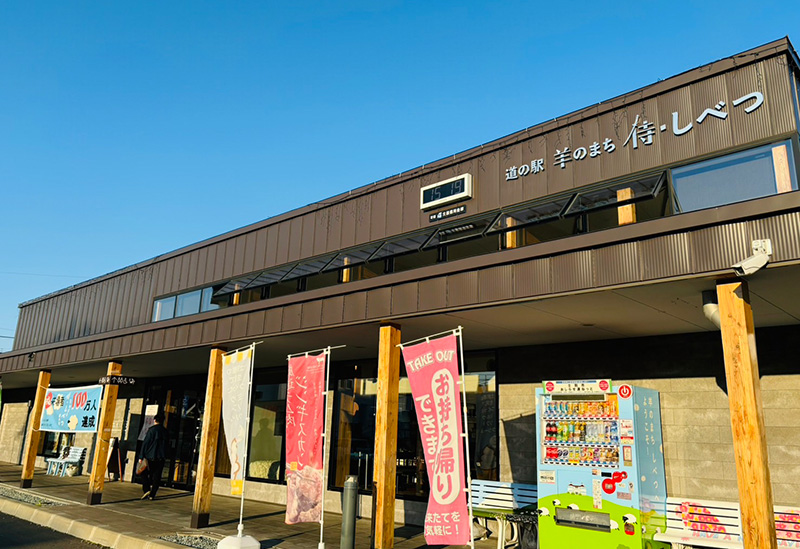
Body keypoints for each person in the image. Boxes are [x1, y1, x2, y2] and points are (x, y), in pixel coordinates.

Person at [140, 410, 169, 500]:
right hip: (161, 457)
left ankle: (147, 489)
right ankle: (153, 494)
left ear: (155, 420)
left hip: (150, 456)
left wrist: (141, 456)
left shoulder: (151, 430)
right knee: (157, 476)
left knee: (143, 472)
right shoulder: (165, 431)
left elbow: (146, 443)